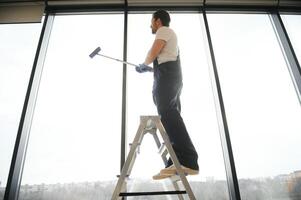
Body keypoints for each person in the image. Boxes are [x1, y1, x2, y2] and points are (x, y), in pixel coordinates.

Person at [135, 10, 199, 180]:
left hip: (168, 79)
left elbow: (154, 51)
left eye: (151, 21)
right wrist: (149, 68)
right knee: (170, 117)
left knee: (168, 115)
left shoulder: (164, 30)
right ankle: (176, 161)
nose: (150, 25)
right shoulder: (169, 36)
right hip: (170, 77)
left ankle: (189, 160)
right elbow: (165, 58)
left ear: (157, 21)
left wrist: (144, 62)